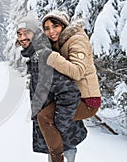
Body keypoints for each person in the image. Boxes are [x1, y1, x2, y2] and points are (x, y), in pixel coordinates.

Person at [16, 13, 87, 162]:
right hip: (59, 133)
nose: (22, 37)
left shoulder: (43, 56)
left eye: (26, 32)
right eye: (19, 33)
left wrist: (57, 125)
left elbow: (69, 92)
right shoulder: (36, 55)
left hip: (62, 134)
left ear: (36, 33)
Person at [33, 10, 101, 161]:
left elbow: (77, 72)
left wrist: (51, 57)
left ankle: (57, 158)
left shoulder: (77, 40)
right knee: (55, 122)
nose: (51, 31)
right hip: (73, 97)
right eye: (47, 28)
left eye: (55, 26)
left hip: (87, 100)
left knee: (45, 118)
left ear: (64, 25)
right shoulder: (62, 43)